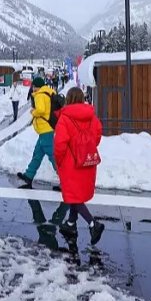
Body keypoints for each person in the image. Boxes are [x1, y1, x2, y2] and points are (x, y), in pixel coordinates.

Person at [53, 87, 105, 245]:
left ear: (68, 99)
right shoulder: (91, 116)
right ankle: (70, 224)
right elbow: (97, 134)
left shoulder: (65, 118)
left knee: (73, 195)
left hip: (71, 162)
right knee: (76, 194)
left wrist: (59, 160)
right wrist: (86, 149)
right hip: (87, 160)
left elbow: (60, 143)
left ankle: (92, 224)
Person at [17, 77, 57, 188]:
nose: (32, 88)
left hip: (45, 130)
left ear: (35, 86)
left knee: (53, 156)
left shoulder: (40, 95)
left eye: (33, 86)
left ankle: (65, 181)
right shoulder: (49, 92)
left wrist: (33, 112)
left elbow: (41, 110)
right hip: (47, 129)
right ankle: (29, 176)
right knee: (37, 154)